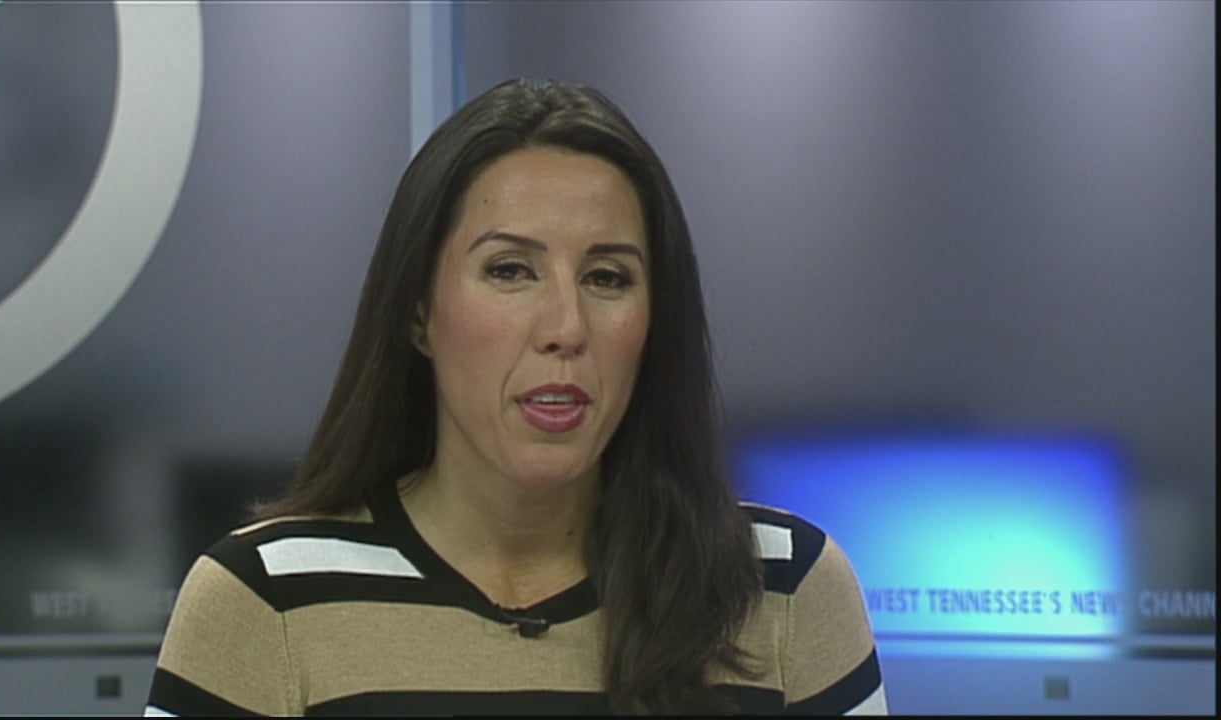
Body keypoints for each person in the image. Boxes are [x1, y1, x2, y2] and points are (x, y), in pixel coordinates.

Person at [144, 78, 887, 716]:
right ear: (418, 312)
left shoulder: (785, 588)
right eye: (510, 270)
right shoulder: (267, 600)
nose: (566, 328)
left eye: (607, 277)